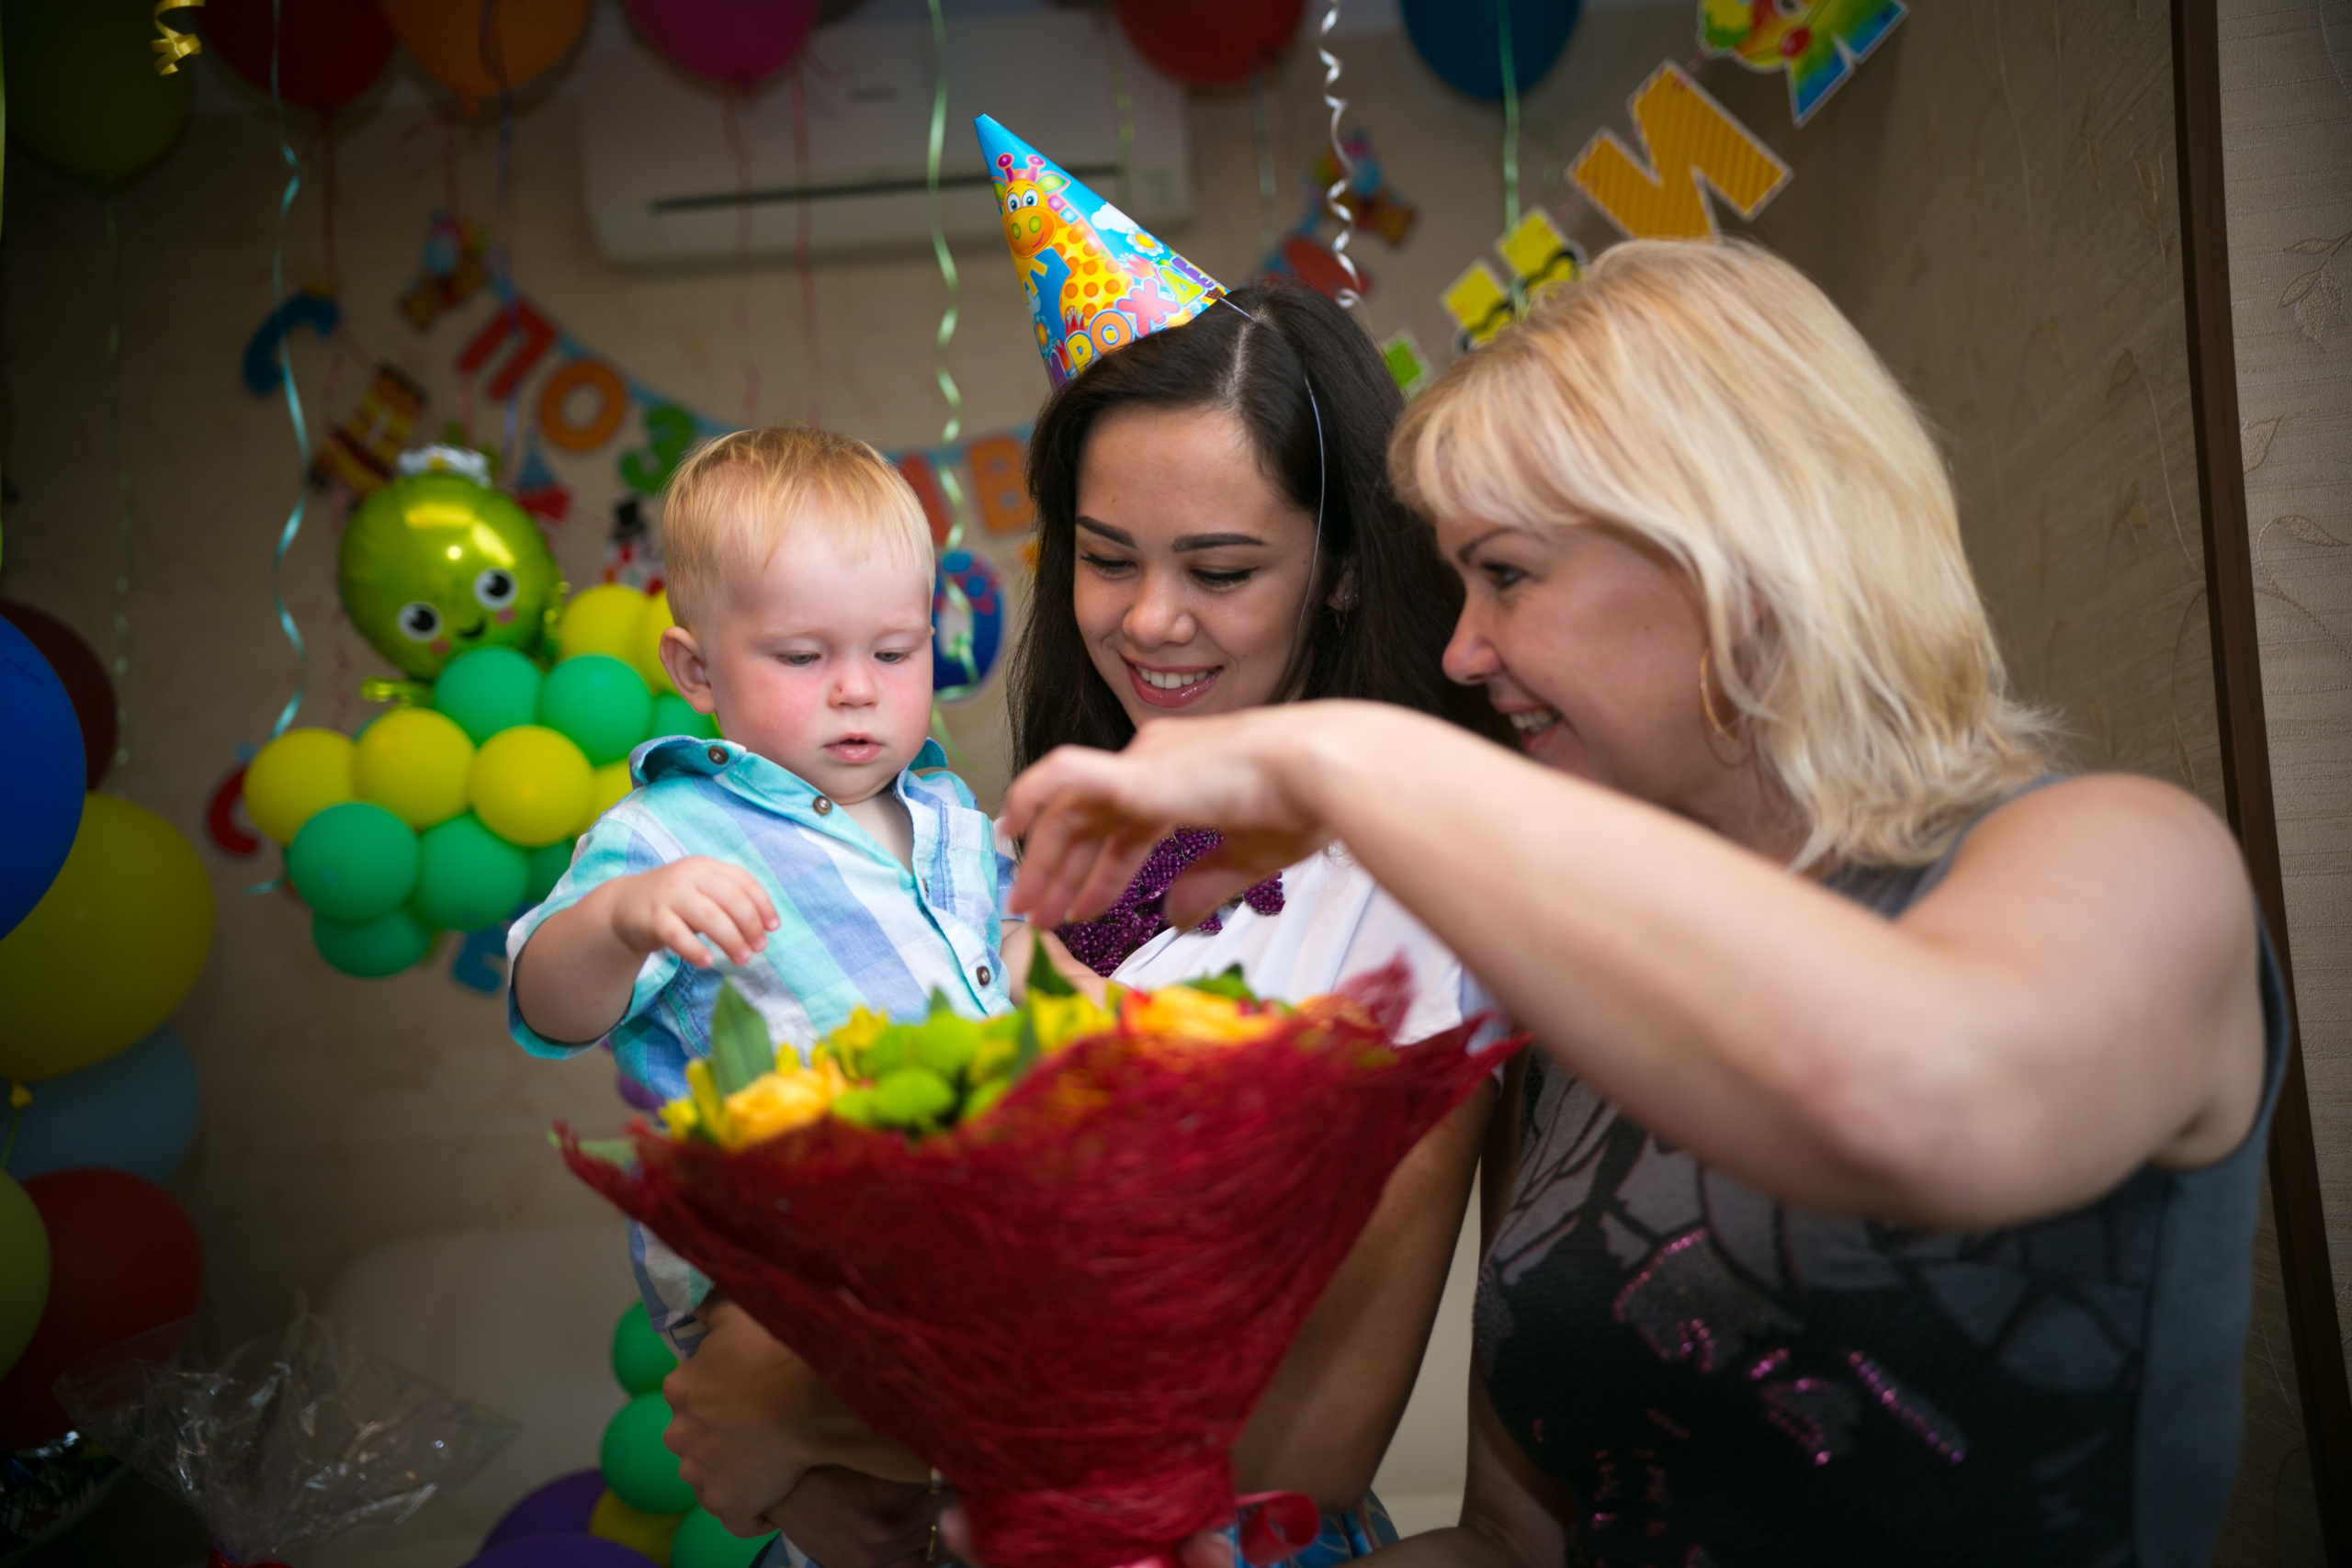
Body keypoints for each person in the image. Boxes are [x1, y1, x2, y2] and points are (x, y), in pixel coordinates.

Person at [1001, 240, 2280, 1567]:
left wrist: (1341, 755)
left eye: (1503, 573)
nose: (1459, 649)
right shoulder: (1583, 996)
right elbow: (1515, 1538)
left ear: (1730, 558)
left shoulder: (2132, 855)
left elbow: (1920, 1094)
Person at [655, 117, 1522, 1568]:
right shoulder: (1021, 847)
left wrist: (791, 1399)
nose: (1149, 620)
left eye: (1222, 568)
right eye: (1107, 557)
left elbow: (1264, 1417)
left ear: (1343, 570)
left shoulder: (1425, 885)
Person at [507, 428, 1014, 1495]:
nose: (857, 691)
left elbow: (1014, 971)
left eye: (895, 651)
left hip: (969, 1238)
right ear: (695, 669)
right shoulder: (666, 832)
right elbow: (548, 1007)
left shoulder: (950, 815)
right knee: (864, 1497)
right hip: (785, 1270)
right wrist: (617, 921)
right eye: (801, 657)